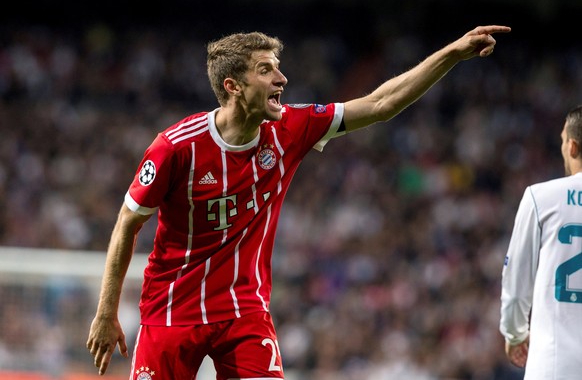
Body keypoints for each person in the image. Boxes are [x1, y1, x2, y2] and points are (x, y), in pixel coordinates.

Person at [87, 25, 511, 380]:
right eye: (266, 70)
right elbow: (128, 223)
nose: (281, 79)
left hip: (244, 311)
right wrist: (106, 313)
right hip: (171, 311)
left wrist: (453, 54)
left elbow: (382, 104)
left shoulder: (291, 127)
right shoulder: (175, 148)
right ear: (233, 86)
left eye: (279, 68)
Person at [499, 105, 582, 379]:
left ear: (572, 146)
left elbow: (517, 280)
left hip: (554, 364)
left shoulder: (541, 197)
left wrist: (515, 333)